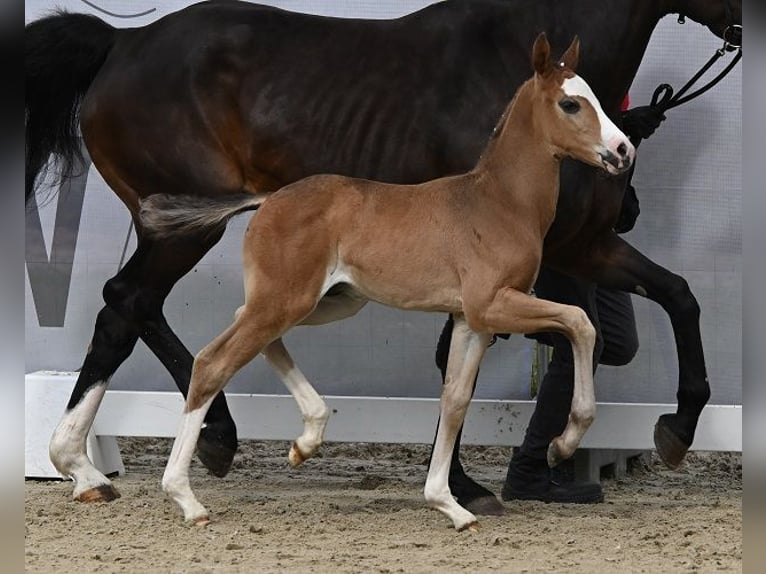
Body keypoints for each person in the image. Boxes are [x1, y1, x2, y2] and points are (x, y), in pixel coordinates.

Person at [500, 97, 666, 503]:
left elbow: (622, 215)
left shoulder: (612, 109)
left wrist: (630, 139)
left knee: (619, 343)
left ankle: (528, 320)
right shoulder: (571, 96)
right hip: (560, 237)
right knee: (581, 346)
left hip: (591, 242)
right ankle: (528, 469)